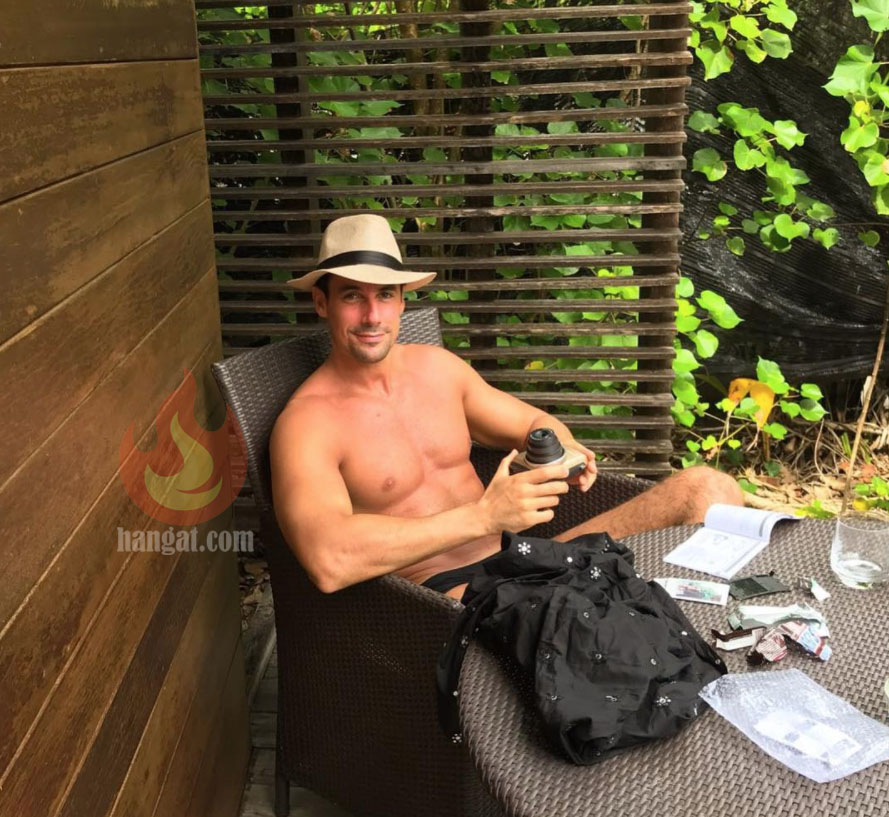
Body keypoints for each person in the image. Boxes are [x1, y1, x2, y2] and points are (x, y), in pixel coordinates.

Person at [270, 214, 744, 602]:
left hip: (527, 564)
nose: (373, 315)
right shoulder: (307, 423)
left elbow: (534, 423)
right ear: (321, 303)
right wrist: (483, 517)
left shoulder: (438, 369)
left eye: (385, 295)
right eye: (352, 296)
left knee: (708, 488)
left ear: (401, 302)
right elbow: (329, 560)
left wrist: (560, 453)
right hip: (456, 603)